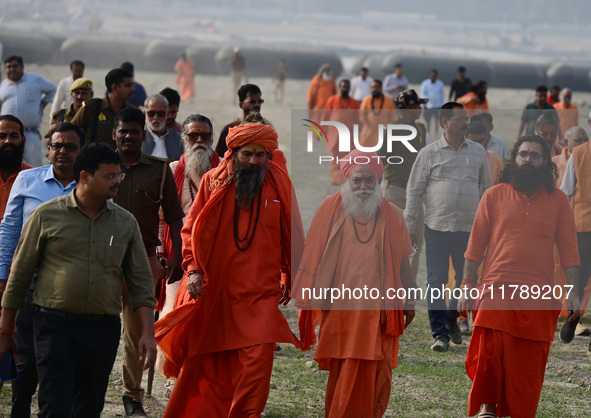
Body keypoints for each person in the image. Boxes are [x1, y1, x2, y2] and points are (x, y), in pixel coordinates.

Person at [155, 113, 304, 418]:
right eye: (246, 154)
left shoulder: (278, 184)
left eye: (260, 155)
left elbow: (293, 231)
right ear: (233, 153)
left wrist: (290, 272)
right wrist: (193, 269)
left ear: (268, 155)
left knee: (256, 372)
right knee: (208, 369)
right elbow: (191, 230)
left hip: (260, 296)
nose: (253, 161)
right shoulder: (213, 181)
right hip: (216, 293)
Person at [0, 143, 157, 418]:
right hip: (54, 325)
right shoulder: (46, 216)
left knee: (89, 407)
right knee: (55, 404)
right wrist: (4, 332)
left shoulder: (125, 223)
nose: (117, 182)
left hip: (103, 329)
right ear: (84, 176)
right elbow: (20, 276)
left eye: (118, 175)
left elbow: (141, 283)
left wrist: (147, 333)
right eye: (109, 176)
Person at [458, 135, 580, 418]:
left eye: (535, 155)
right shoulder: (494, 195)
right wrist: (466, 284)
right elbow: (475, 247)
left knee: (527, 366)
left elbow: (569, 253)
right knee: (490, 356)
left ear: (545, 163)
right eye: (523, 154)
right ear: (515, 159)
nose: (528, 159)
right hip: (495, 289)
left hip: (537, 296)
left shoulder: (559, 201)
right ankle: (489, 409)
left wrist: (573, 290)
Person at [294, 150, 416, 418]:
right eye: (357, 180)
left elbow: (403, 260)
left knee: (376, 370)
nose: (363, 187)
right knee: (343, 369)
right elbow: (313, 254)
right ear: (346, 180)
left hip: (379, 311)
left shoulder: (394, 214)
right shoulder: (330, 209)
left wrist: (409, 301)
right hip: (340, 309)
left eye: (369, 180)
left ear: (379, 181)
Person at [0, 122, 83, 416]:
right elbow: (9, 230)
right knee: (28, 360)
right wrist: (2, 276)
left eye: (70, 146)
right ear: (47, 149)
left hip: (73, 289)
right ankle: (19, 409)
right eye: (57, 145)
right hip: (30, 285)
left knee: (61, 361)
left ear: (80, 151)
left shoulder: (90, 186)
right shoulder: (27, 180)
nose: (62, 152)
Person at [111, 108, 184, 417]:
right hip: (100, 257)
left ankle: (132, 396)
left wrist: (179, 256)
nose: (129, 136)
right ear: (114, 134)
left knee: (137, 332)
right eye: (123, 131)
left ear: (143, 135)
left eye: (134, 131)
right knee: (92, 324)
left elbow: (174, 217)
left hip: (143, 260)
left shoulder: (160, 170)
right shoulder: (99, 164)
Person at [405, 102, 492, 351]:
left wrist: (490, 226)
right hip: (436, 227)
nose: (466, 123)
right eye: (460, 119)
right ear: (445, 122)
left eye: (466, 118)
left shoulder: (478, 152)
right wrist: (409, 225)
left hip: (469, 228)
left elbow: (487, 191)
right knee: (436, 280)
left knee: (467, 279)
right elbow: (414, 191)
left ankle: (453, 316)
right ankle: (439, 333)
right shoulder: (428, 153)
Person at [154, 113, 220, 398]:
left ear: (212, 139)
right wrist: (160, 251)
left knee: (209, 323)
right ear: (183, 139)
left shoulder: (225, 171)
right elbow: (159, 218)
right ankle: (173, 378)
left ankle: (205, 378)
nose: (199, 141)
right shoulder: (171, 170)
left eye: (204, 136)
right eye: (193, 135)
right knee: (174, 319)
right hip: (177, 259)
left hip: (216, 260)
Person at [378, 89, 429, 284]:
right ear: (408, 107)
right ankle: (389, 283)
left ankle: (408, 289)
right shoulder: (389, 129)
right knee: (392, 242)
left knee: (415, 243)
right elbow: (380, 161)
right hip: (395, 192)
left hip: (416, 196)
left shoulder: (422, 130)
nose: (421, 109)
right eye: (417, 105)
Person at [559, 124, 591, 350]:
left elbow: (566, 190)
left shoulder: (579, 153)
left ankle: (573, 317)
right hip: (583, 225)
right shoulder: (578, 153)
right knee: (577, 278)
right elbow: (565, 190)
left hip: (583, 224)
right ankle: (573, 316)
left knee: (578, 278)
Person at [0, 56, 56, 166]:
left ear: (22, 67)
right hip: (7, 136)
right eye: (8, 67)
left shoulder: (35, 79)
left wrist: (42, 104)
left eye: (15, 66)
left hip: (29, 133)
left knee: (34, 167)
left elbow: (53, 89)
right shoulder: (3, 85)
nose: (12, 69)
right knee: (6, 165)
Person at [71, 68, 135, 147]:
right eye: (128, 85)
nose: (133, 89)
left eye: (132, 85)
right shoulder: (91, 108)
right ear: (114, 88)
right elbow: (71, 133)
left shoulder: (132, 112)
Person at [322, 78, 360, 185]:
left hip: (349, 136)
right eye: (343, 87)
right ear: (340, 88)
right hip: (335, 135)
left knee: (348, 158)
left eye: (347, 87)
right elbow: (325, 116)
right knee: (335, 159)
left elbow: (357, 121)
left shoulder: (354, 103)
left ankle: (347, 179)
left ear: (349, 89)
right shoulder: (332, 100)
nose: (345, 89)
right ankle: (335, 179)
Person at [215, 83, 264, 156]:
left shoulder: (265, 129)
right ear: (241, 105)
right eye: (252, 102)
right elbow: (219, 160)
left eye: (259, 101)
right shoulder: (230, 129)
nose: (257, 105)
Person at [0, 115, 32, 221]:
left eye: (14, 136)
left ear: (23, 140)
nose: (8, 141)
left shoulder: (33, 177)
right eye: (2, 136)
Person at [141, 94, 183, 162]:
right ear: (145, 114)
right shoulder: (137, 138)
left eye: (160, 114)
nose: (156, 117)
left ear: (167, 114)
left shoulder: (179, 140)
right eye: (151, 113)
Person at [359, 80, 396, 148]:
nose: (375, 89)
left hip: (383, 135)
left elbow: (392, 118)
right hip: (368, 134)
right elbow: (362, 116)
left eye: (377, 87)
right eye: (373, 87)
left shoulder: (388, 100)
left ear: (381, 88)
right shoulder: (367, 100)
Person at [420, 69, 445, 137]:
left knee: (437, 122)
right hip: (428, 106)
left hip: (438, 106)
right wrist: (424, 103)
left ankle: (436, 135)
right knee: (428, 121)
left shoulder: (440, 83)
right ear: (430, 75)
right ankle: (428, 135)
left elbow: (442, 95)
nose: (433, 76)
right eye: (432, 75)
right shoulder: (425, 83)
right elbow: (423, 94)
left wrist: (443, 105)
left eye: (435, 75)